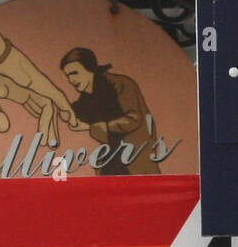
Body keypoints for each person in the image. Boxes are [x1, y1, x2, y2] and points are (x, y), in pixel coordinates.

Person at [59, 47, 161, 175]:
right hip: (111, 161)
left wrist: (98, 127)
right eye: (68, 76)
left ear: (90, 68)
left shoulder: (120, 84)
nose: (71, 80)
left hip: (135, 162)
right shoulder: (87, 97)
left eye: (74, 73)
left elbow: (134, 119)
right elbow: (76, 114)